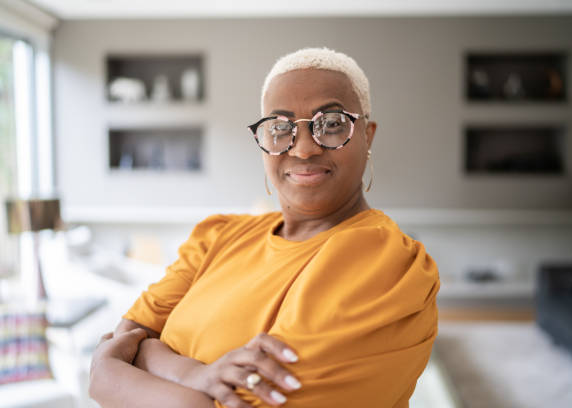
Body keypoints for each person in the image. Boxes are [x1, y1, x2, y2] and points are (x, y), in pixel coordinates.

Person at [89, 47, 440, 408]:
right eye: (280, 127)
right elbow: (125, 336)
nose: (303, 149)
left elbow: (116, 361)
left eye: (331, 124)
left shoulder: (384, 263)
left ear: (368, 135)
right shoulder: (218, 236)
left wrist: (109, 376)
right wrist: (193, 377)